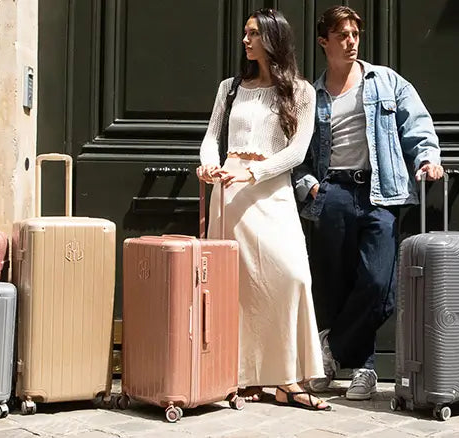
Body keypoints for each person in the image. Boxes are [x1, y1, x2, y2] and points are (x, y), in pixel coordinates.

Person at [293, 5, 444, 400]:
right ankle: (365, 369)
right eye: (341, 35)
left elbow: (416, 123)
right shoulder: (313, 94)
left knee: (378, 284)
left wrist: (427, 157)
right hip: (333, 193)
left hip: (381, 193)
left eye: (354, 35)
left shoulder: (386, 82)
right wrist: (310, 187)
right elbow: (296, 150)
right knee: (335, 284)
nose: (351, 42)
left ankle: (330, 352)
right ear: (324, 41)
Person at [196, 8, 330, 411]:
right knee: (234, 288)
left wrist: (255, 173)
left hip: (269, 189)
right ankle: (238, 376)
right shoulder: (230, 88)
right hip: (229, 191)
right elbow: (211, 138)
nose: (245, 40)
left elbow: (298, 150)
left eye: (253, 33)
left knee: (291, 276)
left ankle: (288, 378)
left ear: (273, 38)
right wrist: (207, 164)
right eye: (245, 33)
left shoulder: (301, 91)